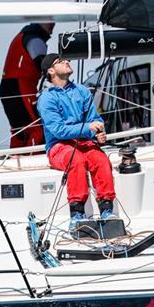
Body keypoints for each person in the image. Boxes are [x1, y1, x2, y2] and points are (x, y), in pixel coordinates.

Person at [36, 53, 116, 228]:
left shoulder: (82, 91)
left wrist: (98, 133)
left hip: (84, 142)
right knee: (76, 160)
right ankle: (77, 214)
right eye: (61, 61)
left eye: (66, 60)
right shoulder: (47, 98)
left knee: (101, 160)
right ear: (51, 70)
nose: (67, 61)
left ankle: (107, 210)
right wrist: (89, 128)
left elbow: (95, 119)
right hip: (58, 146)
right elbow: (58, 130)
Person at [0, 22, 55, 148]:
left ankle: (15, 159)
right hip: (20, 86)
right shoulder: (34, 38)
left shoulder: (26, 36)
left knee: (19, 131)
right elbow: (42, 63)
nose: (52, 23)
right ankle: (34, 159)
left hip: (9, 87)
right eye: (49, 20)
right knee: (37, 127)